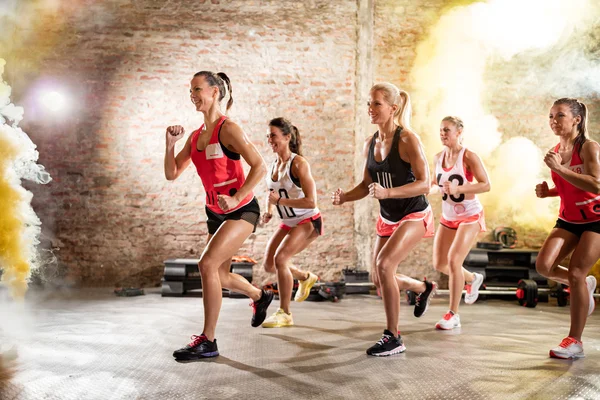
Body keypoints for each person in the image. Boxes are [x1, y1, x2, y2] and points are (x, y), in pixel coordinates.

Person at [164, 71, 273, 360]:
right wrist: (170, 144)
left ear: (215, 92)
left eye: (197, 89)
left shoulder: (229, 129)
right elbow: (172, 173)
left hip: (241, 209)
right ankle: (260, 296)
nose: (193, 96)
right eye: (190, 91)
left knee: (206, 264)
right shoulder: (196, 137)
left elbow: (260, 166)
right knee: (221, 276)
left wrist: (237, 196)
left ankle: (208, 340)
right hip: (214, 212)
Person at [332, 82, 437, 357]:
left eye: (377, 103)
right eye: (369, 103)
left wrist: (389, 191)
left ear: (393, 108)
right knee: (380, 279)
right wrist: (346, 197)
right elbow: (366, 184)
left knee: (384, 263)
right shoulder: (370, 143)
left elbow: (426, 183)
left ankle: (393, 336)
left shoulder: (407, 140)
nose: (371, 108)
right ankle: (422, 287)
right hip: (388, 216)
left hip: (414, 213)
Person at [535, 97, 599, 360]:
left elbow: (596, 184)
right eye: (551, 116)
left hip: (596, 219)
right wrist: (547, 192)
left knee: (575, 272)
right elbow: (567, 187)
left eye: (560, 116)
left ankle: (575, 342)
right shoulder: (555, 150)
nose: (553, 121)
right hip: (569, 219)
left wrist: (559, 169)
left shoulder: (589, 147)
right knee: (543, 266)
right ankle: (585, 285)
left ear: (576, 119)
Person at [260, 117, 322, 328]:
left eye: (274, 135)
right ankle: (305, 277)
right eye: (268, 135)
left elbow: (311, 200)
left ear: (287, 137)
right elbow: (271, 193)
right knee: (269, 264)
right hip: (288, 220)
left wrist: (281, 201)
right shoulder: (273, 165)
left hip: (308, 220)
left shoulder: (299, 164)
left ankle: (284, 313)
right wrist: (269, 210)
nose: (270, 139)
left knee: (281, 259)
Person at [431, 116, 490, 330]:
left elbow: (486, 185)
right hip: (448, 217)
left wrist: (459, 189)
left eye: (447, 129)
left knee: (454, 260)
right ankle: (473, 278)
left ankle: (453, 314)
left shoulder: (469, 156)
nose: (443, 133)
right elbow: (431, 185)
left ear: (459, 131)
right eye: (440, 130)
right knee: (439, 264)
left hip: (470, 215)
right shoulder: (437, 157)